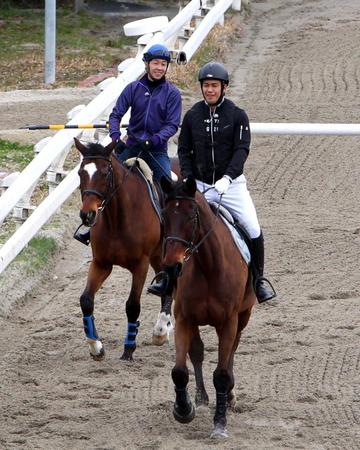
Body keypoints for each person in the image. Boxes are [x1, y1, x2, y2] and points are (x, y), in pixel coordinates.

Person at [148, 61, 276, 303]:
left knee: (253, 228)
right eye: (206, 85)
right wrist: (188, 179)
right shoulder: (193, 116)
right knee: (176, 226)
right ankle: (167, 278)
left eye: (214, 86)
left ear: (224, 87)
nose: (210, 90)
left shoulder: (237, 116)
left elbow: (241, 150)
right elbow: (184, 150)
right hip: (201, 186)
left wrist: (228, 178)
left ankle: (258, 281)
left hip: (232, 186)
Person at [74, 43, 182, 245]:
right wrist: (116, 138)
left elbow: (172, 125)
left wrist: (154, 140)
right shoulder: (133, 88)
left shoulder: (172, 93)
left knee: (169, 187)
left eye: (163, 64)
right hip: (131, 146)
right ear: (147, 64)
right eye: (156, 63)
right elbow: (116, 115)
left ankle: (168, 233)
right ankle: (91, 230)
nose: (159, 68)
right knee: (103, 180)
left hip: (156, 151)